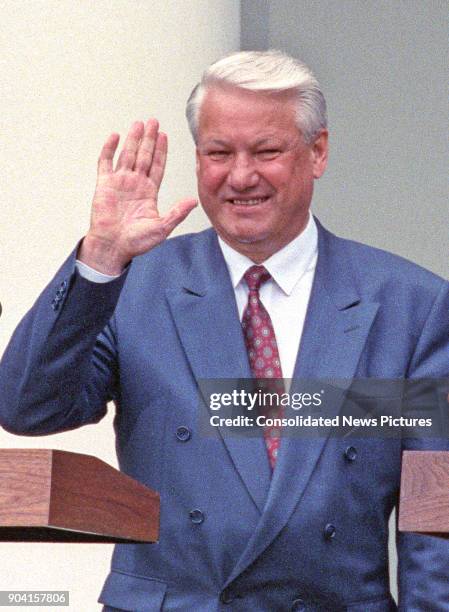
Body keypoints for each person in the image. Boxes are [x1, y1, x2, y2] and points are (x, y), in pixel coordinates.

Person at [0, 50, 448, 612]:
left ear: (317, 152)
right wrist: (100, 260)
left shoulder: (411, 306)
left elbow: (435, 525)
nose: (240, 176)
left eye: (266, 151)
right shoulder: (134, 285)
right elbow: (27, 407)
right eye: (218, 153)